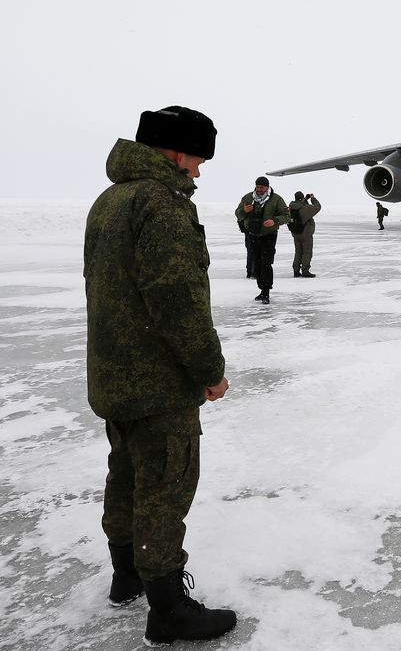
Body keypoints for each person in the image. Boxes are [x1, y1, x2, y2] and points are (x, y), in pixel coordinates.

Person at [84, 106, 236, 645]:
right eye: (197, 159)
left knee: (124, 477)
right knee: (165, 487)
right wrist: (209, 370)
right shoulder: (162, 205)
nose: (197, 172)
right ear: (176, 152)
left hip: (113, 375)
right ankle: (168, 608)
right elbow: (178, 302)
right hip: (157, 382)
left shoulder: (111, 201)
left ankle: (126, 577)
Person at [236, 176, 289, 303]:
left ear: (267, 187)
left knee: (266, 263)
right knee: (257, 263)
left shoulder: (276, 199)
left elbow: (287, 216)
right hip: (252, 235)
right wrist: (243, 210)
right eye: (257, 186)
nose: (259, 189)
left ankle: (266, 291)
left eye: (262, 187)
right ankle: (261, 289)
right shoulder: (248, 198)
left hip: (269, 236)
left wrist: (275, 221)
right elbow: (238, 213)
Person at [288, 191, 321, 278]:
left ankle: (296, 270)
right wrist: (313, 198)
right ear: (302, 198)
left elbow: (299, 205)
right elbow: (318, 207)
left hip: (295, 233)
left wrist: (305, 199)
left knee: (298, 252)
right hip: (305, 234)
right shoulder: (305, 208)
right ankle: (305, 270)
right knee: (307, 252)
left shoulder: (291, 207)